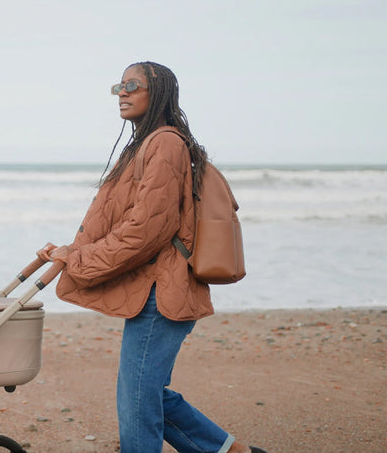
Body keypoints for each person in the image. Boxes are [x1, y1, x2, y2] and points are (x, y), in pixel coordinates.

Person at [38, 62, 265, 453]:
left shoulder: (165, 144)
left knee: (138, 398)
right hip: (155, 288)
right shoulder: (147, 145)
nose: (122, 93)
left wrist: (80, 260)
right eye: (119, 86)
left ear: (157, 93)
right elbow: (125, 220)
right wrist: (72, 251)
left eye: (132, 85)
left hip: (162, 292)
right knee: (146, 393)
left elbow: (146, 231)